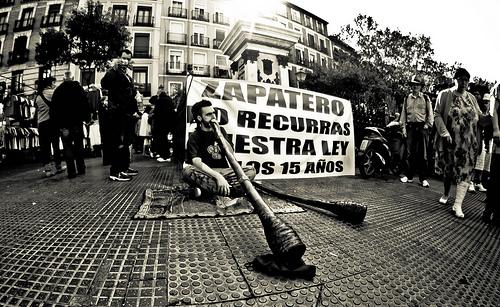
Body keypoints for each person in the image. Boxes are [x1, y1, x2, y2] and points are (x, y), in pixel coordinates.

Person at [182, 100, 256, 202]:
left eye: (213, 113)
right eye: (208, 114)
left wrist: (219, 134)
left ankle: (207, 191)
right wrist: (218, 177)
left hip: (225, 171)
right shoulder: (194, 137)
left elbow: (230, 153)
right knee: (187, 171)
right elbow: (196, 162)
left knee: (251, 171)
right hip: (207, 173)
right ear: (200, 118)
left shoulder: (222, 131)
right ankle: (234, 191)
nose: (213, 117)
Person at [434, 68, 484, 218]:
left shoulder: (471, 98)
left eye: (466, 80)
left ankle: (458, 205)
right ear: (454, 79)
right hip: (451, 142)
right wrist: (444, 132)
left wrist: (492, 116)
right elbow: (437, 114)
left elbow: (480, 118)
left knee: (465, 173)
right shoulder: (445, 95)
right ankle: (446, 192)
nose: (464, 83)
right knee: (449, 171)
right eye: (461, 79)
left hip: (468, 144)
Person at [101, 49, 140, 181]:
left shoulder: (125, 73)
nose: (125, 61)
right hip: (117, 113)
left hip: (126, 113)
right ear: (118, 57)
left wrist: (135, 109)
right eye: (123, 58)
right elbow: (104, 83)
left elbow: (129, 93)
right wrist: (113, 68)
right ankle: (115, 172)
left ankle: (123, 168)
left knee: (125, 142)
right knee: (118, 143)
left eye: (128, 58)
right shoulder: (114, 72)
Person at [51, 71, 90, 179]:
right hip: (77, 123)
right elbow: (85, 104)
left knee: (67, 147)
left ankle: (71, 172)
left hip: (64, 125)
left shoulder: (58, 91)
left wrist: (57, 125)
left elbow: (54, 110)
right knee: (79, 145)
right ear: (72, 78)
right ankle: (81, 168)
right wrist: (86, 118)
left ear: (63, 79)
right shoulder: (78, 89)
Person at [399, 75, 434, 187]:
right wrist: (403, 128)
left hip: (422, 127)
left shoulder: (425, 98)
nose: (415, 87)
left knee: (422, 154)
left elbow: (430, 114)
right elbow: (403, 115)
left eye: (417, 85)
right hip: (410, 127)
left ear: (421, 86)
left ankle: (423, 178)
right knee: (409, 153)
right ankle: (408, 176)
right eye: (413, 85)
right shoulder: (407, 98)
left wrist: (427, 125)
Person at [35, 77, 65, 177]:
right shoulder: (52, 93)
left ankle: (47, 170)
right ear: (50, 84)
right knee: (55, 145)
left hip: (41, 124)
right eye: (54, 82)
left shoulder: (38, 96)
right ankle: (58, 166)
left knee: (45, 147)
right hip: (51, 123)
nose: (55, 84)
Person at [468, 93, 493, 193]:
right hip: (476, 139)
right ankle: (470, 182)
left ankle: (478, 182)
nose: (486, 104)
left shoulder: (491, 112)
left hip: (486, 141)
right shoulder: (479, 111)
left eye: (488, 102)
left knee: (482, 164)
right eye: (485, 102)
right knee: (474, 162)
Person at [483, 84, 500, 224]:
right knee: (495, 176)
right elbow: (493, 109)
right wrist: (496, 129)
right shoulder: (499, 87)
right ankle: (488, 210)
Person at [150, 91, 176, 163]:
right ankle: (166, 155)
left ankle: (165, 155)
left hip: (161, 124)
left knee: (162, 139)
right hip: (169, 123)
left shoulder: (160, 101)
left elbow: (157, 113)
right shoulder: (169, 100)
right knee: (165, 139)